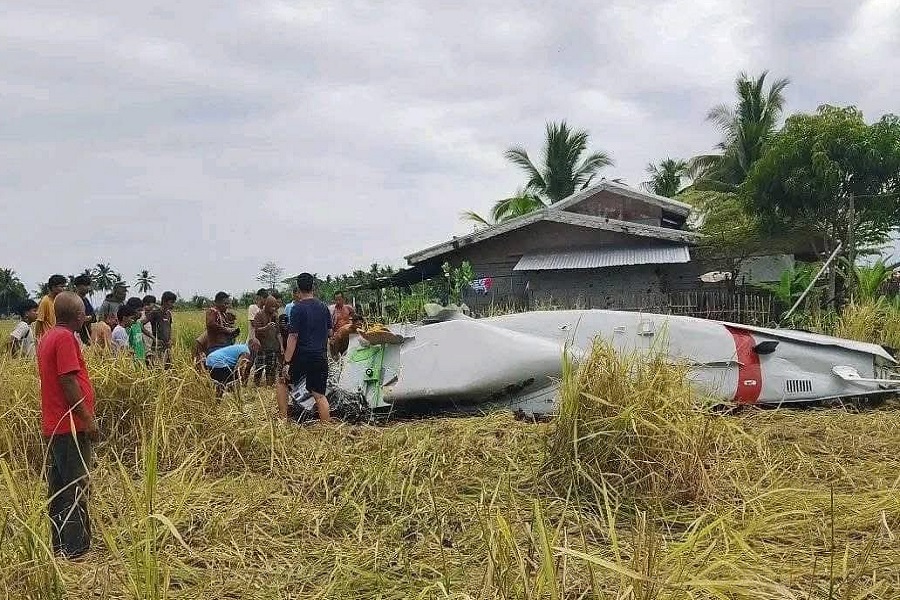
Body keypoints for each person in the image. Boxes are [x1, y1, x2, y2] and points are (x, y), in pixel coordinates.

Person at [38, 291, 98, 559]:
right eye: (84, 311)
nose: (86, 315)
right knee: (76, 488)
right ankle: (76, 549)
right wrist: (87, 418)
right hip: (70, 425)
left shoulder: (49, 336)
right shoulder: (64, 339)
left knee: (60, 488)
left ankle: (61, 545)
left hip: (56, 424)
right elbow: (68, 382)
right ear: (77, 316)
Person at [279, 273, 332, 422]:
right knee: (320, 395)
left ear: (298, 288)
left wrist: (287, 362)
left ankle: (282, 420)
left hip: (302, 356)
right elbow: (330, 332)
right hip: (320, 356)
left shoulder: (297, 308)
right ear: (313, 286)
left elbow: (293, 337)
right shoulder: (323, 307)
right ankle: (327, 429)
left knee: (282, 381)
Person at [251, 296, 282, 386]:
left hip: (273, 346)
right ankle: (256, 386)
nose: (273, 309)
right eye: (271, 307)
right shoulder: (259, 315)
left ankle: (269, 386)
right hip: (262, 347)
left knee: (271, 368)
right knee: (259, 367)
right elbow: (257, 330)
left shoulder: (275, 316)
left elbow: (278, 333)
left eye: (274, 307)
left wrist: (281, 346)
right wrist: (267, 327)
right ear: (267, 305)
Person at [146, 291, 175, 368]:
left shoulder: (168, 314)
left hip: (167, 347)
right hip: (157, 347)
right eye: (171, 302)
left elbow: (169, 327)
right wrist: (154, 338)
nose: (172, 305)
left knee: (168, 368)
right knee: (157, 369)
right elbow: (141, 325)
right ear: (165, 301)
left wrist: (170, 339)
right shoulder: (155, 313)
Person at [34, 274, 67, 342]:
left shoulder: (59, 301)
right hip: (47, 339)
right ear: (53, 287)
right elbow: (39, 321)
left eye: (64, 287)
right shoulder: (45, 301)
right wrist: (37, 339)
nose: (63, 289)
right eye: (61, 286)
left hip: (56, 338)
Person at [73, 275, 95, 346]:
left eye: (88, 285)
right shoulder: (73, 301)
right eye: (85, 285)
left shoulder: (86, 301)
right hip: (77, 335)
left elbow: (93, 317)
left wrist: (88, 318)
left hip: (87, 334)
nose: (88, 288)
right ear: (77, 286)